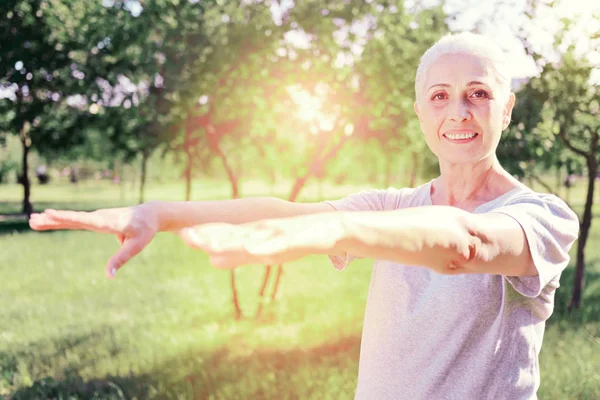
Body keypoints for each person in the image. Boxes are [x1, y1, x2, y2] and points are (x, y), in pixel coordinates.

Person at [29, 32, 579, 400]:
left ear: (506, 109)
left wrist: (333, 231)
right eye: (439, 96)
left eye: (478, 93)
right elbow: (285, 210)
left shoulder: (541, 216)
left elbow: (468, 246)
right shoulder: (394, 206)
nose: (458, 111)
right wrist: (162, 212)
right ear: (419, 112)